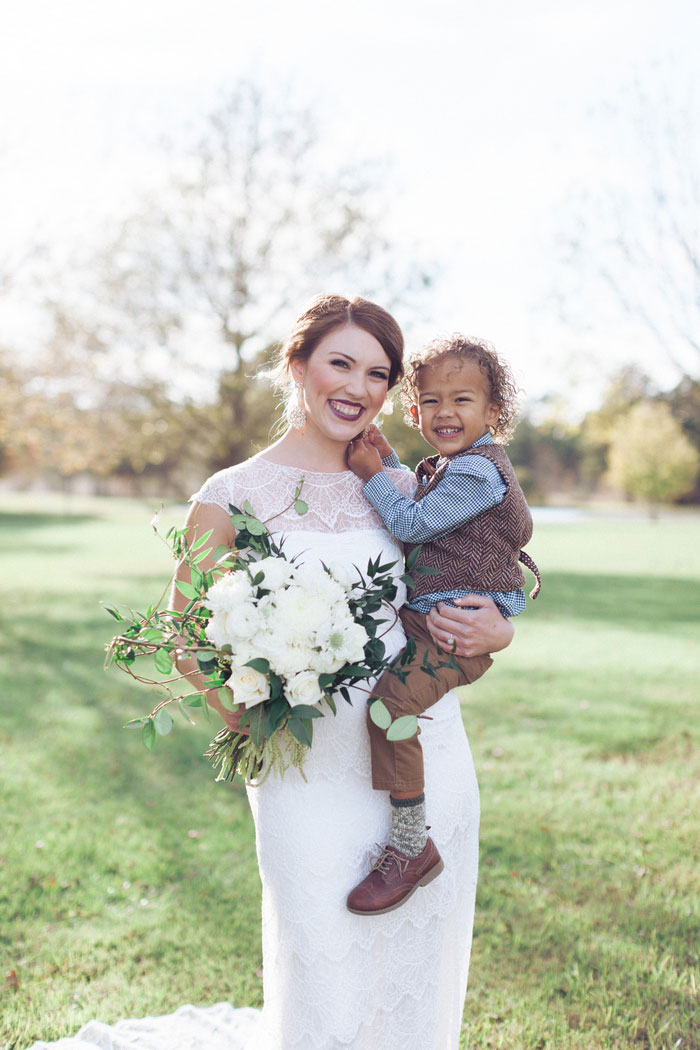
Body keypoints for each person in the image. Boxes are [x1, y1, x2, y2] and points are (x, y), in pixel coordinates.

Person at [27, 296, 514, 1050]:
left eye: (378, 373)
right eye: (340, 363)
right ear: (298, 365)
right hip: (305, 775)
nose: (357, 387)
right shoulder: (232, 494)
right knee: (323, 971)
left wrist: (504, 623)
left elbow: (486, 558)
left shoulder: (400, 480)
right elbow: (184, 635)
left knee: (416, 977)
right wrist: (248, 709)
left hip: (426, 759)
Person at [345, 334, 540, 917]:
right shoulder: (453, 468)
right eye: (430, 402)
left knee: (389, 708)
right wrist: (391, 465)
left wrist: (369, 471)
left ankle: (410, 846)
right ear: (414, 411)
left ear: (492, 413)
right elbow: (425, 498)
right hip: (430, 619)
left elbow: (415, 523)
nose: (445, 413)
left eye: (462, 400)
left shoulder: (479, 473)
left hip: (454, 634)